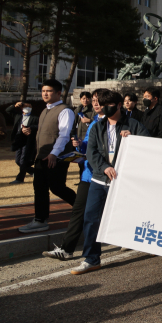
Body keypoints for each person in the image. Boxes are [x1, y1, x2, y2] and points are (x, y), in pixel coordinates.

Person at [71, 90, 150, 275]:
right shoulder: (98, 127)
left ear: (119, 105)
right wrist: (104, 167)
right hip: (100, 180)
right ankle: (92, 259)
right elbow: (91, 152)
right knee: (91, 218)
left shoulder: (134, 125)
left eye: (109, 105)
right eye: (101, 104)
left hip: (124, 181)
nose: (104, 108)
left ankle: (145, 242)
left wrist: (133, 140)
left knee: (132, 214)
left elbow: (147, 146)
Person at [43, 88, 106, 260]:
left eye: (98, 100)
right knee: (80, 211)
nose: (94, 102)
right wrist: (78, 145)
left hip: (106, 176)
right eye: (93, 99)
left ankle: (123, 239)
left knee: (99, 214)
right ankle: (67, 249)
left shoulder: (113, 123)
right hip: (88, 174)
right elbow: (87, 145)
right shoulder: (93, 122)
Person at [18, 79, 76, 234]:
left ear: (58, 93)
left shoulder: (65, 111)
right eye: (43, 91)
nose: (45, 94)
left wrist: (54, 153)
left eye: (49, 91)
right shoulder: (45, 110)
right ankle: (40, 220)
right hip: (42, 156)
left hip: (56, 157)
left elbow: (63, 135)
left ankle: (83, 209)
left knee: (57, 187)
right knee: (39, 187)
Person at [7, 102, 38, 184]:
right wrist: (14, 105)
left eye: (29, 107)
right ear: (22, 109)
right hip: (18, 139)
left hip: (28, 140)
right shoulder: (18, 116)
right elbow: (8, 110)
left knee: (23, 160)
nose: (28, 109)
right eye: (26, 107)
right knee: (18, 160)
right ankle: (33, 171)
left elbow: (39, 126)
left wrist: (30, 128)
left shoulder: (34, 118)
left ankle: (20, 178)